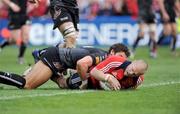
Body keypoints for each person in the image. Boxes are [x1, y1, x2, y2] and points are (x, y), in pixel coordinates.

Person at [0, 43, 130, 90]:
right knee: (26, 84)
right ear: (112, 52)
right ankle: (40, 56)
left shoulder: (104, 58)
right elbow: (81, 63)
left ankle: (39, 55)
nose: (121, 61)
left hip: (62, 62)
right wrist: (84, 80)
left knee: (65, 84)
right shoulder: (103, 56)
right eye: (120, 56)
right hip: (55, 58)